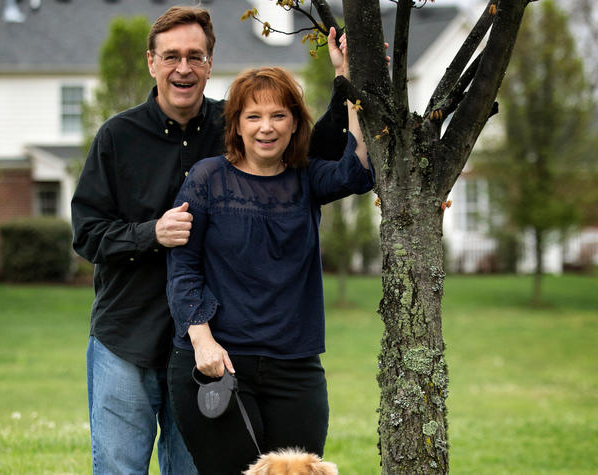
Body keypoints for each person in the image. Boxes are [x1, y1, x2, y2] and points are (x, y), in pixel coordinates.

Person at [71, 5, 350, 473]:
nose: (184, 67)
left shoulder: (238, 124)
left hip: (211, 349)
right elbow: (87, 233)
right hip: (129, 335)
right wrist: (150, 233)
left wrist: (345, 84)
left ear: (210, 63)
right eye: (172, 56)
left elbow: (307, 153)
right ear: (151, 63)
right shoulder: (117, 137)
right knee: (119, 467)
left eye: (196, 56)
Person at [165, 28, 374, 475]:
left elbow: (358, 172)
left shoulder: (307, 178)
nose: (266, 127)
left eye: (279, 115)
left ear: (295, 122)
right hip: (218, 363)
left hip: (295, 366)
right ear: (236, 123)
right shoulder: (206, 179)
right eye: (253, 116)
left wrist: (348, 77)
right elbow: (182, 268)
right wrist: (201, 340)